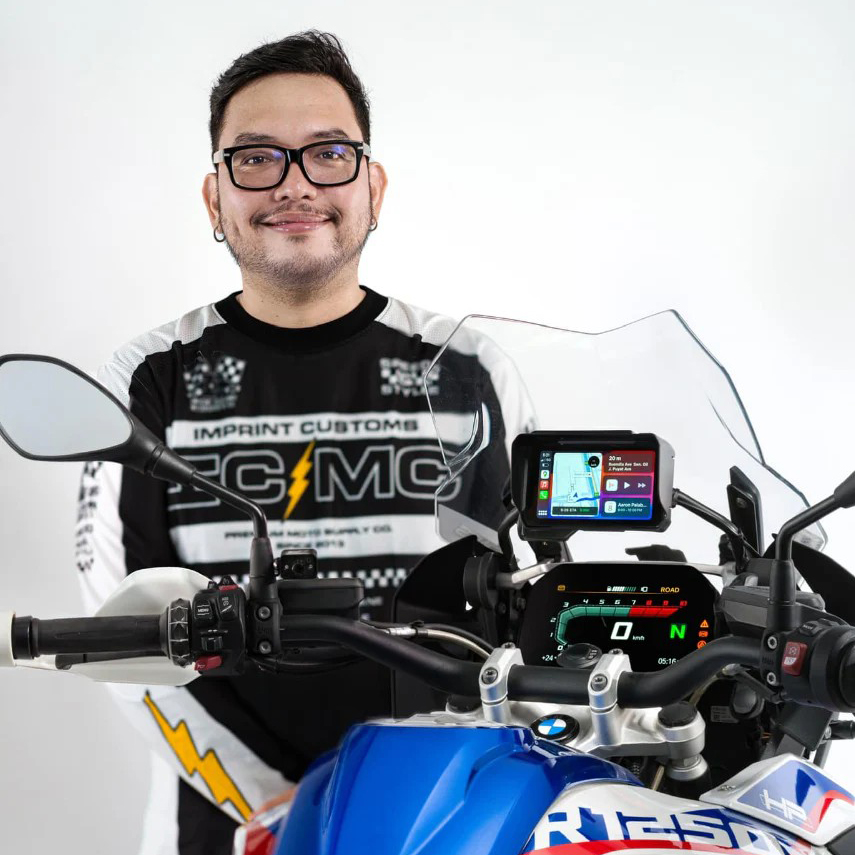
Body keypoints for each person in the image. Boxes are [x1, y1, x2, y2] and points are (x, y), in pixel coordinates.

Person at [75, 31, 525, 855]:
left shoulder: (468, 366)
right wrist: (268, 805)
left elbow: (521, 602)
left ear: (372, 187)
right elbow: (119, 630)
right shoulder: (146, 375)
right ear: (214, 197)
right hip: (229, 828)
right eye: (255, 158)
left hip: (441, 818)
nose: (294, 184)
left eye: (328, 153)